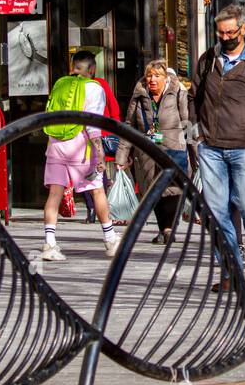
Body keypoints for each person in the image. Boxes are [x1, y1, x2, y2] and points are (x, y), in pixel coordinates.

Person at [191, 4, 245, 289]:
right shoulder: (207, 60)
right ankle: (230, 270)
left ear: (243, 29)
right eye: (221, 32)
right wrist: (196, 132)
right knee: (216, 213)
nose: (226, 36)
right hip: (210, 147)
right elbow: (194, 97)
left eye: (231, 32)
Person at [40, 50, 120, 262]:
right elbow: (93, 124)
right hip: (81, 149)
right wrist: (100, 154)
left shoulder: (59, 84)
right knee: (97, 192)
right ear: (92, 69)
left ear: (73, 66)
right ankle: (110, 239)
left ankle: (49, 243)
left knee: (54, 194)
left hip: (56, 145)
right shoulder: (94, 88)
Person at [116, 60, 195, 245]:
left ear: (165, 78)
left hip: (174, 148)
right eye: (149, 75)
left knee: (174, 189)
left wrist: (195, 152)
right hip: (147, 152)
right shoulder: (139, 94)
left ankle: (169, 228)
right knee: (154, 190)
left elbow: (187, 123)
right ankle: (163, 229)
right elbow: (129, 126)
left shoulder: (178, 91)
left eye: (157, 76)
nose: (152, 79)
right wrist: (121, 155)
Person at [78, 56, 123, 225]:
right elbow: (113, 106)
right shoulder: (95, 84)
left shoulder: (95, 84)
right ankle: (95, 207)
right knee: (93, 171)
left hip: (89, 133)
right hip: (92, 133)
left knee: (89, 170)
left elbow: (112, 106)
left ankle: (93, 208)